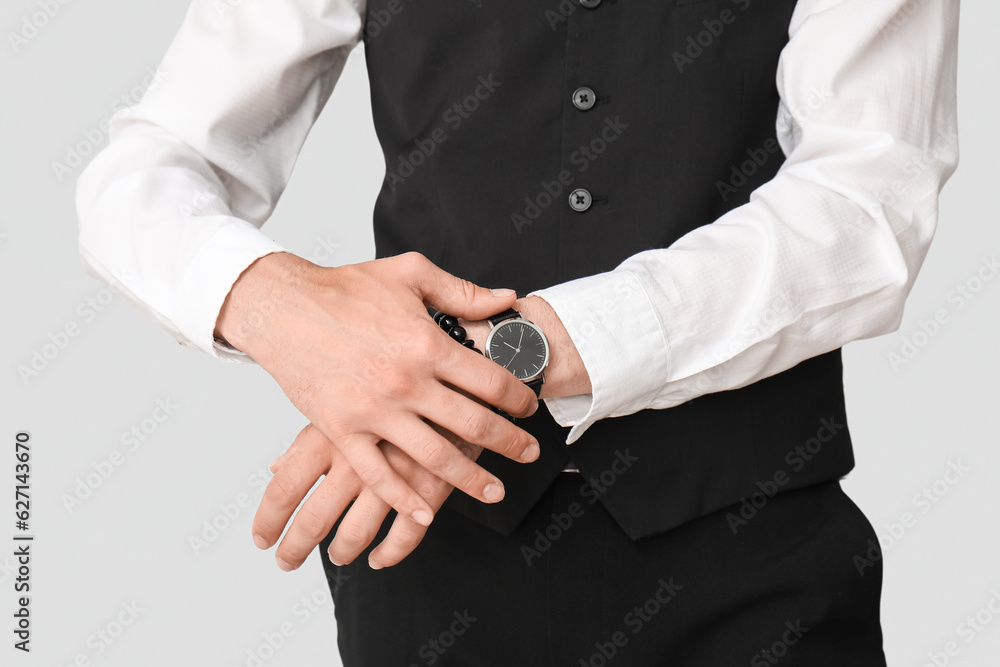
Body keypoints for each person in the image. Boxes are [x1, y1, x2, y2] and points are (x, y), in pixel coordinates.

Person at [76, 0, 959, 664]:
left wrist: (498, 354)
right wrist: (283, 306)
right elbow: (146, 172)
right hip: (427, 560)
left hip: (758, 558)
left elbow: (867, 202)